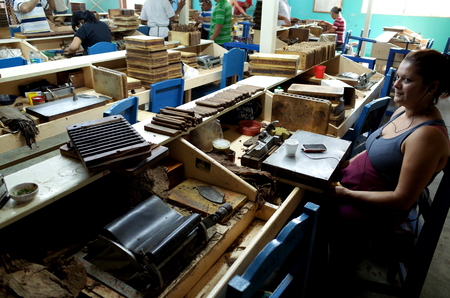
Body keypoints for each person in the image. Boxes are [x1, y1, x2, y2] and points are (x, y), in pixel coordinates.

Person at [327, 49, 450, 253]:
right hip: (349, 190)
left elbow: (402, 200)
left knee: (300, 206)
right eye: (397, 77)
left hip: (370, 213)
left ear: (432, 87)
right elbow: (374, 150)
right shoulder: (404, 110)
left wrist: (348, 194)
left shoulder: (427, 136)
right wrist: (347, 164)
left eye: (407, 80)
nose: (396, 85)